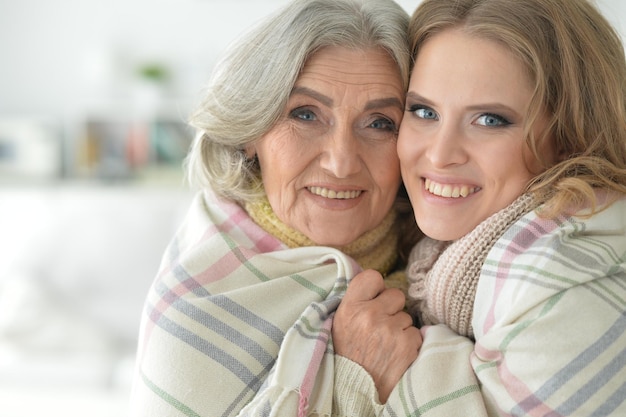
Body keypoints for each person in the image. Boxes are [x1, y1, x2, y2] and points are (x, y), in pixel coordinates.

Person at [129, 0, 422, 416]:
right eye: (305, 114)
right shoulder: (194, 313)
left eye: (379, 123)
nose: (341, 162)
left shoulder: (444, 265)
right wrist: (351, 382)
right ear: (251, 131)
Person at [333, 0, 626, 415]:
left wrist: (361, 383)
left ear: (569, 137)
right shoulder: (425, 258)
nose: (439, 155)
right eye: (423, 111)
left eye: (489, 120)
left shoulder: (564, 276)